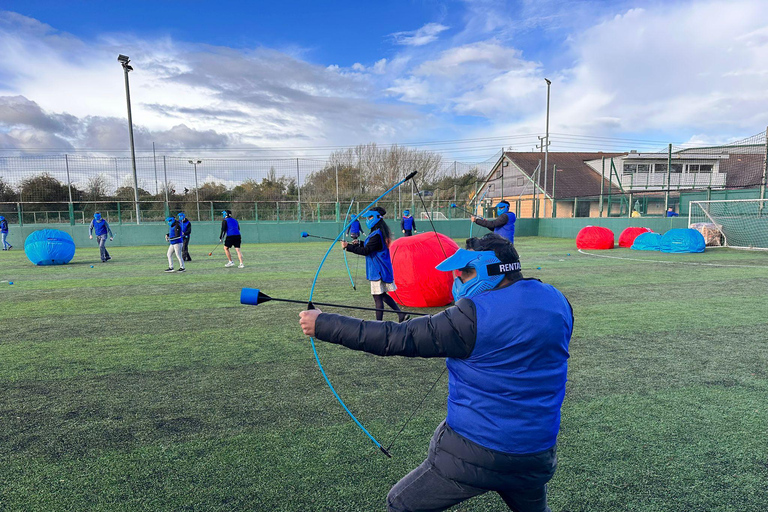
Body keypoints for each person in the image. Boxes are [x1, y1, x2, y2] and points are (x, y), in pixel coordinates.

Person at [300, 233, 573, 512]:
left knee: (400, 504)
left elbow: (393, 337)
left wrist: (320, 323)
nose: (458, 282)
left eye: (464, 274)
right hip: (537, 454)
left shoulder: (471, 317)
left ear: (487, 271)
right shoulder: (557, 300)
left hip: (474, 454)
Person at [341, 206, 407, 322]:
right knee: (382, 295)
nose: (368, 219)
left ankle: (378, 324)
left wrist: (348, 247)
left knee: (377, 297)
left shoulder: (377, 234)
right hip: (379, 268)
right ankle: (401, 315)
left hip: (378, 270)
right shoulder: (377, 232)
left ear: (376, 217)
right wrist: (358, 243)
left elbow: (367, 251)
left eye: (370, 217)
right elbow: (370, 246)